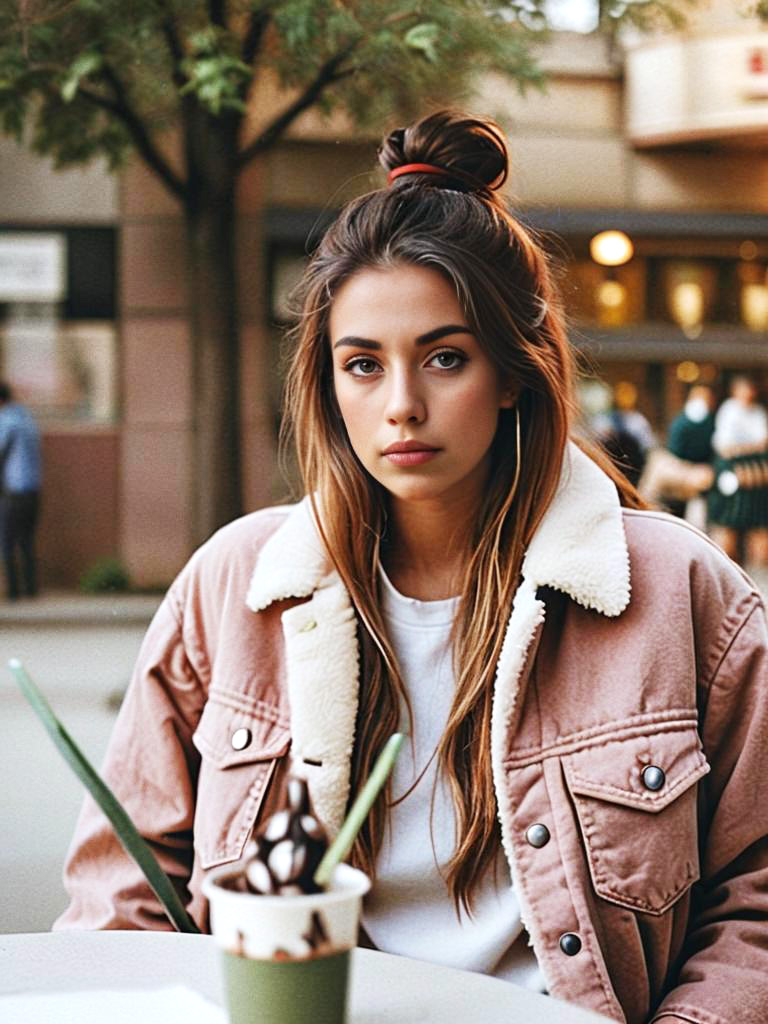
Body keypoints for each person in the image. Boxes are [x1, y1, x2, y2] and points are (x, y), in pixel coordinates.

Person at [55, 112, 768, 1024]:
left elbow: (755, 893)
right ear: (327, 382)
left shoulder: (678, 589)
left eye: (444, 358)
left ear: (512, 370)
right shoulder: (234, 586)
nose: (401, 406)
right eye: (362, 364)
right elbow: (121, 900)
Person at [707, 373, 768, 565]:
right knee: (727, 521)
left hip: (757, 475)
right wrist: (749, 449)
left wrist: (744, 451)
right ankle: (725, 569)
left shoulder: (758, 412)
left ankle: (760, 577)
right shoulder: (728, 411)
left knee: (759, 524)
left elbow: (764, 443)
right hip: (731, 474)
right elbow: (725, 448)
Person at [0, 381, 41, 600]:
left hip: (14, 490)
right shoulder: (27, 419)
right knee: (26, 541)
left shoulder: (6, 421)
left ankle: (13, 592)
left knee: (6, 541)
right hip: (33, 489)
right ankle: (31, 589)